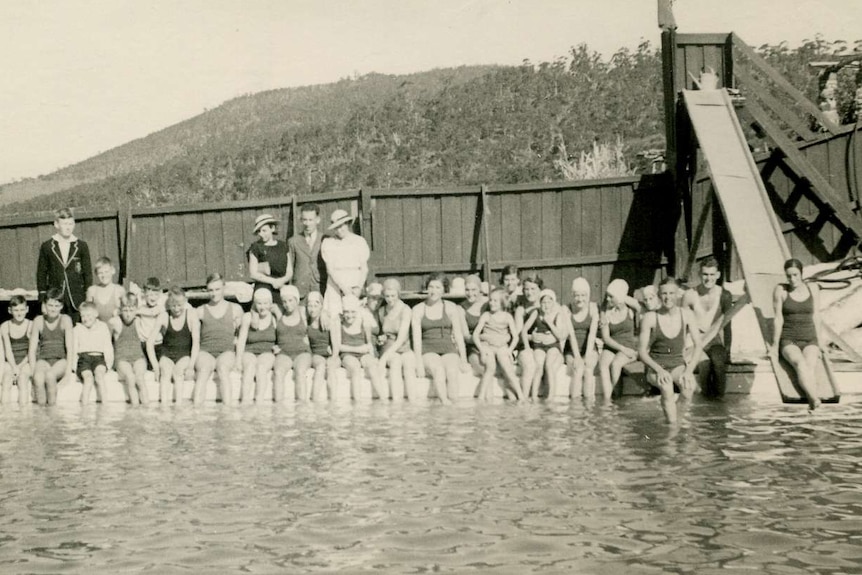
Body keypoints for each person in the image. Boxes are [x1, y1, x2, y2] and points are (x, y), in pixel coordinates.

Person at [638, 277, 702, 423]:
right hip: (656, 367)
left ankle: (674, 424)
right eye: (664, 294)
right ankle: (673, 428)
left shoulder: (686, 315)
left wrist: (688, 370)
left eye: (671, 293)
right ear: (659, 295)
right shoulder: (650, 317)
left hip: (677, 365)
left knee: (688, 387)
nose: (668, 297)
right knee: (666, 387)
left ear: (678, 294)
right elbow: (641, 352)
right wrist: (659, 370)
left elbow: (698, 345)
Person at [772, 258, 824, 411]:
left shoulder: (813, 288)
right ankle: (814, 400)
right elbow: (778, 319)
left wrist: (820, 343)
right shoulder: (781, 290)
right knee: (799, 363)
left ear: (801, 274)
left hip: (810, 339)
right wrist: (775, 347)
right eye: (789, 276)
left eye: (795, 275)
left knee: (810, 365)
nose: (792, 279)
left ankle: (812, 404)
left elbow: (817, 316)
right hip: (789, 340)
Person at [412, 273, 468, 404]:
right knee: (438, 370)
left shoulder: (450, 307)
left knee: (452, 372)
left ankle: (454, 405)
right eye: (431, 287)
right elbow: (417, 338)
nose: (433, 291)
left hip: (448, 349)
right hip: (428, 350)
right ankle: (444, 402)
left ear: (444, 289)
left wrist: (464, 359)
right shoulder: (418, 309)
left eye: (437, 287)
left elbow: (459, 335)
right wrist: (419, 363)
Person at [683, 258, 733, 399]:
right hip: (693, 340)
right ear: (699, 274)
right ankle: (706, 401)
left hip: (713, 339)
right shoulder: (690, 295)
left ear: (717, 275)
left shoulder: (724, 295)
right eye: (705, 274)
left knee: (718, 362)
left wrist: (728, 350)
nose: (708, 278)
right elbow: (681, 324)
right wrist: (680, 350)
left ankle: (720, 402)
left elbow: (728, 325)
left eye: (712, 275)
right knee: (704, 364)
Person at [194, 273, 244, 404]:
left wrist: (239, 360)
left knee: (222, 369)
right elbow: (194, 338)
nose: (214, 293)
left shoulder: (235, 309)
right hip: (206, 351)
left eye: (217, 289)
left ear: (223, 288)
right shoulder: (200, 311)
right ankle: (196, 413)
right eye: (210, 290)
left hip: (226, 351)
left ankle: (228, 411)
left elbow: (242, 337)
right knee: (203, 371)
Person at [36, 208, 93, 321]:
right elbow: (41, 273)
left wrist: (88, 295)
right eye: (65, 224)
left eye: (71, 223)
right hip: (55, 299)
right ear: (56, 224)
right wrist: (43, 300)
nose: (68, 227)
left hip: (76, 299)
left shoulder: (81, 246)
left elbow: (87, 273)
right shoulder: (47, 246)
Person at [332, 294, 387, 401]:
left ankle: (383, 400)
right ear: (342, 312)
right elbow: (338, 346)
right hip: (347, 353)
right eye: (346, 312)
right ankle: (358, 403)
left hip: (363, 352)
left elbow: (369, 343)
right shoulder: (339, 323)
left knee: (372, 367)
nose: (349, 315)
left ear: (357, 311)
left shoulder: (363, 321)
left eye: (353, 312)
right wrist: (359, 349)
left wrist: (372, 356)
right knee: (355, 369)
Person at [151, 287, 200, 404]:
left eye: (179, 305)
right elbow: (149, 342)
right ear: (169, 305)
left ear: (185, 302)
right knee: (165, 373)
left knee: (178, 373)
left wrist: (191, 366)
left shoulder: (191, 315)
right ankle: (163, 407)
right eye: (173, 306)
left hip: (184, 354)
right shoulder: (164, 316)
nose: (177, 309)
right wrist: (155, 366)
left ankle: (178, 406)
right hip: (167, 354)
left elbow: (196, 343)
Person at [473, 289, 523, 401]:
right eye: (490, 300)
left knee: (508, 368)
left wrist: (510, 350)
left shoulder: (507, 317)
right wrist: (481, 349)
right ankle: (481, 397)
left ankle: (521, 396)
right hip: (487, 346)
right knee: (490, 367)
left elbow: (515, 337)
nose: (491, 303)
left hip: (502, 346)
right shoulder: (486, 315)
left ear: (502, 303)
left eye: (495, 301)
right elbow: (476, 334)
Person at [29, 288, 75, 405]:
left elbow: (70, 348)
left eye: (56, 305)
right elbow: (32, 349)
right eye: (50, 305)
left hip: (61, 360)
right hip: (43, 359)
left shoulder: (65, 320)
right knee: (38, 378)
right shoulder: (38, 321)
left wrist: (68, 373)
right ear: (44, 305)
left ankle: (52, 412)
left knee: (50, 376)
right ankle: (41, 416)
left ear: (61, 306)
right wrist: (34, 371)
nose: (53, 309)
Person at [321, 209, 369, 316]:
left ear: (348, 224)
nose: (339, 230)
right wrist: (344, 288)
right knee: (335, 315)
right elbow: (330, 270)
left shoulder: (359, 241)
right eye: (336, 228)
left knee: (354, 315)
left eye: (341, 226)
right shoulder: (328, 243)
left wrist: (359, 288)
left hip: (355, 283)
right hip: (335, 284)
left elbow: (364, 268)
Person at [598, 279, 640, 402]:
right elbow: (606, 338)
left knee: (616, 364)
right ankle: (607, 401)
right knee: (603, 364)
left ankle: (617, 399)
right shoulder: (606, 311)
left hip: (629, 346)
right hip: (613, 345)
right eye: (607, 296)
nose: (607, 299)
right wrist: (622, 349)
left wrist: (621, 297)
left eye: (611, 297)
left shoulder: (631, 310)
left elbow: (640, 305)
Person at [522, 289, 568, 399]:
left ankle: (550, 397)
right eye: (543, 302)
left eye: (549, 302)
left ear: (553, 303)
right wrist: (528, 347)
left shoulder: (557, 314)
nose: (546, 305)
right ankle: (534, 396)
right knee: (539, 366)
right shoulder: (536, 313)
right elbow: (524, 330)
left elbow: (561, 335)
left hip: (553, 346)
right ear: (540, 303)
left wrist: (549, 322)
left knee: (549, 365)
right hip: (539, 346)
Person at [376, 279, 415, 402]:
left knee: (409, 364)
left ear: (398, 294)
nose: (390, 299)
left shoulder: (406, 310)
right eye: (387, 296)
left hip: (404, 346)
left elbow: (401, 338)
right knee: (396, 363)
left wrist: (383, 358)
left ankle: (413, 402)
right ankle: (397, 403)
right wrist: (381, 339)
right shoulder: (382, 311)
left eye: (393, 295)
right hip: (389, 348)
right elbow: (384, 333)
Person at [236, 288, 278, 403]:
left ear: (270, 303)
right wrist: (238, 361)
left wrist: (278, 348)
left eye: (266, 303)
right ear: (255, 303)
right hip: (249, 351)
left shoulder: (274, 319)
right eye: (259, 303)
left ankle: (259, 401)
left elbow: (283, 336)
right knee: (249, 367)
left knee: (261, 368)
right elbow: (241, 340)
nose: (262, 307)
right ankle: (245, 401)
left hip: (267, 352)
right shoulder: (248, 317)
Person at [271, 286, 313, 402]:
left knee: (300, 372)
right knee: (278, 373)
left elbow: (319, 310)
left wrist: (324, 313)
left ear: (296, 300)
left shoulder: (304, 313)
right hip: (284, 353)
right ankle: (278, 410)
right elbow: (259, 303)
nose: (287, 304)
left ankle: (302, 408)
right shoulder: (278, 313)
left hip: (302, 352)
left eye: (290, 300)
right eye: (284, 301)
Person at [564, 278, 600, 401]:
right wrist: (578, 357)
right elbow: (571, 334)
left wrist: (587, 355)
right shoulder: (566, 309)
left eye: (583, 295)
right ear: (572, 296)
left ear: (588, 295)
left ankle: (589, 407)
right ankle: (575, 407)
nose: (580, 299)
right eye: (577, 295)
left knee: (588, 369)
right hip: (572, 350)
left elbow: (592, 334)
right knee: (577, 369)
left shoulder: (593, 308)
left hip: (590, 348)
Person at [110, 294, 149, 405]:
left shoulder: (138, 321)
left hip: (138, 357)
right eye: (125, 310)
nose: (128, 314)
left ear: (136, 310)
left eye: (131, 310)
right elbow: (107, 341)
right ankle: (135, 408)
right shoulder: (116, 322)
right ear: (120, 310)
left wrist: (138, 311)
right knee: (131, 378)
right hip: (122, 359)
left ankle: (147, 408)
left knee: (140, 379)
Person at [74, 301, 113, 404]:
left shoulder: (103, 327)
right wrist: (74, 369)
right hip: (84, 359)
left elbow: (108, 347)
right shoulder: (77, 329)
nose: (86, 318)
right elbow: (74, 349)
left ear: (96, 314)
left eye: (89, 315)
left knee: (99, 377)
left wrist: (109, 365)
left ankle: (105, 407)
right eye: (83, 316)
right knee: (88, 379)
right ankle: (84, 409)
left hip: (99, 358)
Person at [248, 214, 292, 304]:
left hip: (281, 286)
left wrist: (281, 281)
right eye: (259, 231)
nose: (261, 234)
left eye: (264, 230)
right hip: (264, 286)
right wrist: (273, 281)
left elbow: (289, 271)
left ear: (272, 228)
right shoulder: (256, 247)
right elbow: (253, 274)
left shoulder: (283, 246)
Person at [287, 203, 326, 301]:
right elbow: (289, 268)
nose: (307, 223)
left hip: (320, 289)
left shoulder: (325, 239)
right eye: (304, 220)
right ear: (301, 220)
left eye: (310, 220)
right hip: (300, 291)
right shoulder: (293, 241)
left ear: (317, 220)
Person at [514, 274, 543, 397]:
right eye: (526, 289)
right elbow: (519, 334)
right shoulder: (521, 310)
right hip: (524, 347)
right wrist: (532, 337)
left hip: (542, 347)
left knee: (541, 364)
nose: (529, 292)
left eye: (533, 289)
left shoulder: (545, 306)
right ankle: (524, 399)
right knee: (530, 365)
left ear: (540, 290)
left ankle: (538, 400)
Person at [305, 291, 337, 401]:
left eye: (315, 305)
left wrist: (333, 357)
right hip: (316, 354)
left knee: (331, 368)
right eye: (310, 305)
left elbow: (336, 345)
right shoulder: (306, 322)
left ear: (321, 306)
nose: (312, 309)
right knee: (321, 366)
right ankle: (315, 399)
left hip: (331, 354)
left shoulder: (328, 321)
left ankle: (333, 401)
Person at [1, 296, 33, 406]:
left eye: (22, 310)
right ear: (10, 311)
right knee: (6, 380)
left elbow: (31, 351)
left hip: (26, 361)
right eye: (16, 310)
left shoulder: (31, 325)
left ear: (27, 309)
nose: (19, 313)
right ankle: (5, 415)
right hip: (10, 361)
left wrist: (19, 367)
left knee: (23, 379)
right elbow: (7, 350)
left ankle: (23, 416)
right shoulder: (5, 326)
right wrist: (14, 367)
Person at [459, 275, 488, 376]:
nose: (470, 293)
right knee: (483, 370)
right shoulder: (461, 308)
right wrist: (481, 337)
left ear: (480, 289)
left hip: (491, 344)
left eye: (474, 290)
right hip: (473, 347)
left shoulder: (488, 303)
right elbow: (466, 337)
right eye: (467, 290)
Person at [86, 257, 125, 323]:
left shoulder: (119, 290)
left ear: (113, 271)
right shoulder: (92, 291)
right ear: (96, 274)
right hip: (98, 330)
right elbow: (87, 313)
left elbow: (125, 311)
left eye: (106, 272)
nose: (104, 275)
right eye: (100, 273)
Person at [136, 277, 166, 362]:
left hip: (158, 343)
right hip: (143, 343)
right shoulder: (141, 308)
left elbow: (152, 312)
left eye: (156, 295)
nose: (153, 298)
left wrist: (137, 311)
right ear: (144, 294)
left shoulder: (160, 308)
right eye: (150, 295)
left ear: (160, 294)